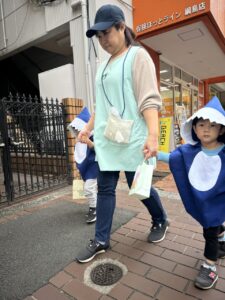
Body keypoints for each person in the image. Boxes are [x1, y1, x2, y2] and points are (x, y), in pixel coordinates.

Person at [75, 4, 169, 263]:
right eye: (99, 35)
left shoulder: (137, 56)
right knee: (106, 189)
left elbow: (149, 99)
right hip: (108, 139)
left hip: (134, 139)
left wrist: (152, 136)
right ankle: (101, 239)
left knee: (139, 187)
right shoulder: (103, 67)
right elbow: (102, 107)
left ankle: (160, 219)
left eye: (106, 32)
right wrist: (87, 127)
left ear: (121, 27)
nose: (103, 39)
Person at [158, 96, 225, 290]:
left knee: (209, 232)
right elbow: (173, 158)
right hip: (203, 201)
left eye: (212, 125)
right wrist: (154, 154)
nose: (206, 128)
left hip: (220, 199)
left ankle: (209, 266)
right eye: (201, 124)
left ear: (221, 129)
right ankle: (221, 238)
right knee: (211, 221)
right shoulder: (189, 151)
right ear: (194, 128)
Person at [68, 107, 98, 223]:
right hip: (86, 167)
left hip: (94, 166)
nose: (76, 132)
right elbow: (78, 155)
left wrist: (89, 142)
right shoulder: (78, 142)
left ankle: (94, 209)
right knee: (91, 189)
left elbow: (98, 150)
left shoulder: (93, 137)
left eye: (77, 129)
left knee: (89, 188)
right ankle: (95, 206)